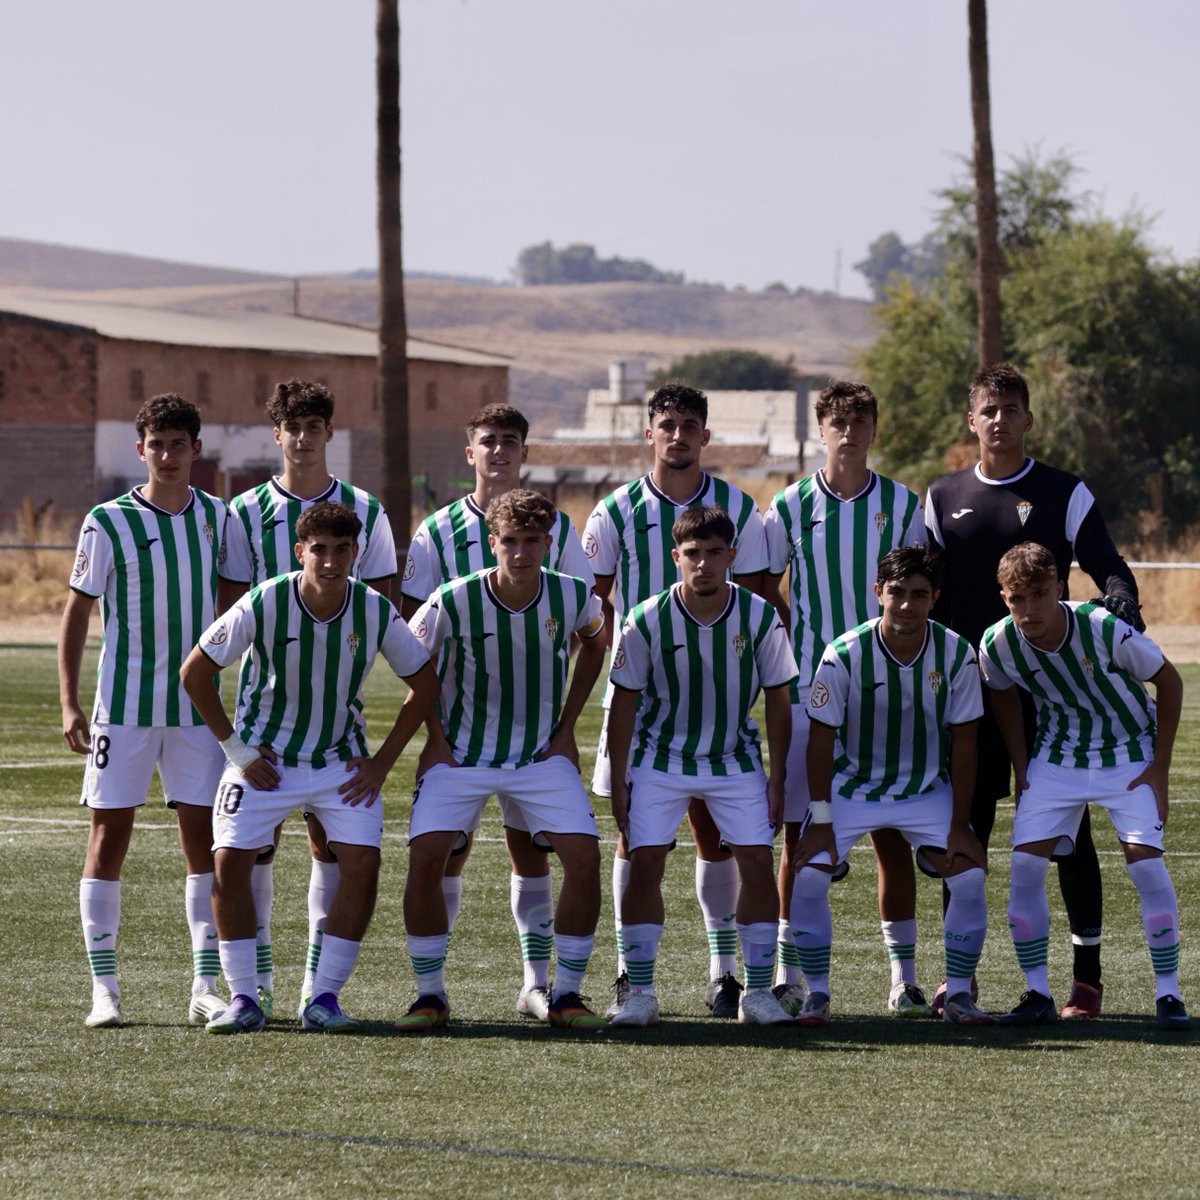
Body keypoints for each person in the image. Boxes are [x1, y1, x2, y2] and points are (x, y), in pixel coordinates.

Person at [899, 361, 1142, 1018]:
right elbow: (923, 584)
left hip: (1054, 694)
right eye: (989, 410)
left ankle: (1085, 982)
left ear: (1028, 418)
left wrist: (1122, 599)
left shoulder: (1065, 491)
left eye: (1011, 409)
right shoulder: (942, 496)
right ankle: (960, 977)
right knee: (965, 828)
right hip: (968, 692)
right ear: (971, 420)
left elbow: (1109, 566)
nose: (1000, 420)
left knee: (1069, 836)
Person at [181, 502, 439, 1034]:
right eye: (319, 549)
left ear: (356, 552)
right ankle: (244, 997)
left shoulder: (374, 609)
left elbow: (425, 685)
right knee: (228, 862)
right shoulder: (265, 600)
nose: (330, 561)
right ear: (300, 551)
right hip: (265, 762)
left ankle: (323, 998)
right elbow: (195, 673)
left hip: (339, 764)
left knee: (363, 865)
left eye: (342, 550)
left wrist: (381, 764)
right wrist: (238, 752)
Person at [400, 403, 593, 1022]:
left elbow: (589, 624)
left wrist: (557, 707)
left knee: (548, 852)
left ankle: (546, 987)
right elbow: (413, 643)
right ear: (471, 452)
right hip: (460, 738)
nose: (500, 450)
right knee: (437, 855)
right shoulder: (440, 544)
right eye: (489, 440)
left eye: (511, 440)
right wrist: (433, 733)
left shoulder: (561, 547)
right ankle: (431, 991)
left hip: (536, 742)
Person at [583, 382, 770, 1019]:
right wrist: (622, 666)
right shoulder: (614, 510)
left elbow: (757, 596)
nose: (678, 435)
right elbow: (594, 607)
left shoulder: (739, 507)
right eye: (667, 424)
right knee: (634, 838)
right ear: (650, 433)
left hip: (718, 704)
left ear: (705, 435)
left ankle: (724, 973)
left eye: (690, 425)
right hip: (639, 697)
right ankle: (629, 975)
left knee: (718, 836)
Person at [220, 378, 398, 1019]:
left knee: (332, 849)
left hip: (337, 719)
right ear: (277, 434)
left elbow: (382, 605)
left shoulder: (366, 509)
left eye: (313, 426)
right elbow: (228, 610)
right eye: (292, 427)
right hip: (265, 720)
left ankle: (315, 990)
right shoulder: (243, 511)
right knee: (251, 850)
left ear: (329, 432)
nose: (302, 438)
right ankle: (254, 986)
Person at [59, 393, 230, 1028]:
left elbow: (236, 601)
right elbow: (77, 610)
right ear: (141, 450)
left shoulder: (217, 517)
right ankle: (104, 989)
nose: (167, 454)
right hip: (125, 708)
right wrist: (70, 701)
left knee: (203, 841)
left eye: (178, 443)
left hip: (195, 711)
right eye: (156, 444)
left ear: (195, 448)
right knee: (108, 837)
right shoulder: (107, 521)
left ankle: (204, 983)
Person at [762, 381, 925, 1017]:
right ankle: (788, 973)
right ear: (821, 429)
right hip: (810, 689)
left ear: (874, 429)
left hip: (885, 691)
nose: (849, 432)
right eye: (838, 422)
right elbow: (762, 584)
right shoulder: (790, 504)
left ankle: (903, 979)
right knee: (799, 837)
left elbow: (915, 586)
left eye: (860, 421)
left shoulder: (902, 503)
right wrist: (794, 640)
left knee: (891, 835)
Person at [979, 542, 1188, 1031]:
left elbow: (1170, 682)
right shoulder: (997, 642)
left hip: (1129, 751)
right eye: (1017, 598)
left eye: (1039, 594)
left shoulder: (1103, 628)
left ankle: (1169, 994)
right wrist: (1022, 765)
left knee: (1145, 866)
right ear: (1004, 597)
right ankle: (1036, 993)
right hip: (1058, 756)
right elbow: (1002, 693)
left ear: (1059, 588)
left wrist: (1159, 768)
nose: (1029, 609)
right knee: (1024, 866)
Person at [606, 507, 797, 1027]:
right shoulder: (646, 617)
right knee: (645, 863)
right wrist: (619, 780)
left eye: (715, 553)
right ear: (676, 557)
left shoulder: (759, 616)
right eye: (693, 553)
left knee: (756, 863)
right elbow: (623, 704)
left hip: (733, 757)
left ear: (731, 555)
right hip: (659, 757)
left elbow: (779, 700)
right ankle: (639, 992)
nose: (704, 564)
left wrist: (778, 779)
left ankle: (757, 993)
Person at [792, 546, 992, 1027]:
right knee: (809, 874)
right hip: (853, 787)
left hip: (924, 789)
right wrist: (820, 820)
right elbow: (819, 740)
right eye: (896, 592)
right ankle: (816, 993)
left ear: (935, 598)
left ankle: (958, 995)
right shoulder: (844, 653)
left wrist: (959, 824)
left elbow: (966, 742)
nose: (906, 604)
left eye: (918, 594)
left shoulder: (957, 653)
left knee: (968, 876)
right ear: (878, 592)